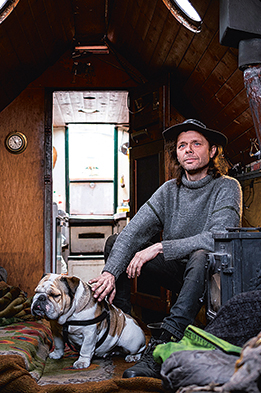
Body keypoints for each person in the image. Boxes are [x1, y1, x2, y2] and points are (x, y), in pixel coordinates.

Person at [90, 118, 242, 378]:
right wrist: (109, 273)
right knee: (116, 242)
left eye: (197, 143)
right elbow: (132, 233)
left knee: (201, 254)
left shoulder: (227, 186)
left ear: (212, 151)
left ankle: (164, 341)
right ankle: (121, 329)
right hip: (176, 272)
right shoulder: (168, 191)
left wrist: (160, 247)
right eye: (182, 145)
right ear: (177, 153)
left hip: (212, 275)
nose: (189, 150)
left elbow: (220, 236)